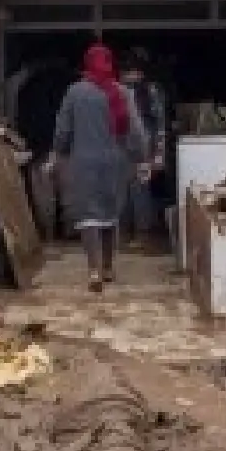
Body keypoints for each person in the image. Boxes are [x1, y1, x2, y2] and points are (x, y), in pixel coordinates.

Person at [49, 43, 147, 290]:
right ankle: (108, 268)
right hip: (115, 162)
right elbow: (135, 130)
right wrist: (140, 157)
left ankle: (94, 271)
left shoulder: (75, 92)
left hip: (83, 162)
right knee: (110, 215)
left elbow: (63, 129)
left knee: (89, 217)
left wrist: (59, 152)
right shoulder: (122, 92)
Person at [119, 50, 169, 248]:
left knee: (139, 189)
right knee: (124, 190)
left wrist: (159, 153)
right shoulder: (117, 91)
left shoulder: (150, 91)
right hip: (124, 147)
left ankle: (141, 233)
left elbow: (159, 122)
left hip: (143, 147)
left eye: (129, 72)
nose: (127, 77)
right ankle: (126, 232)